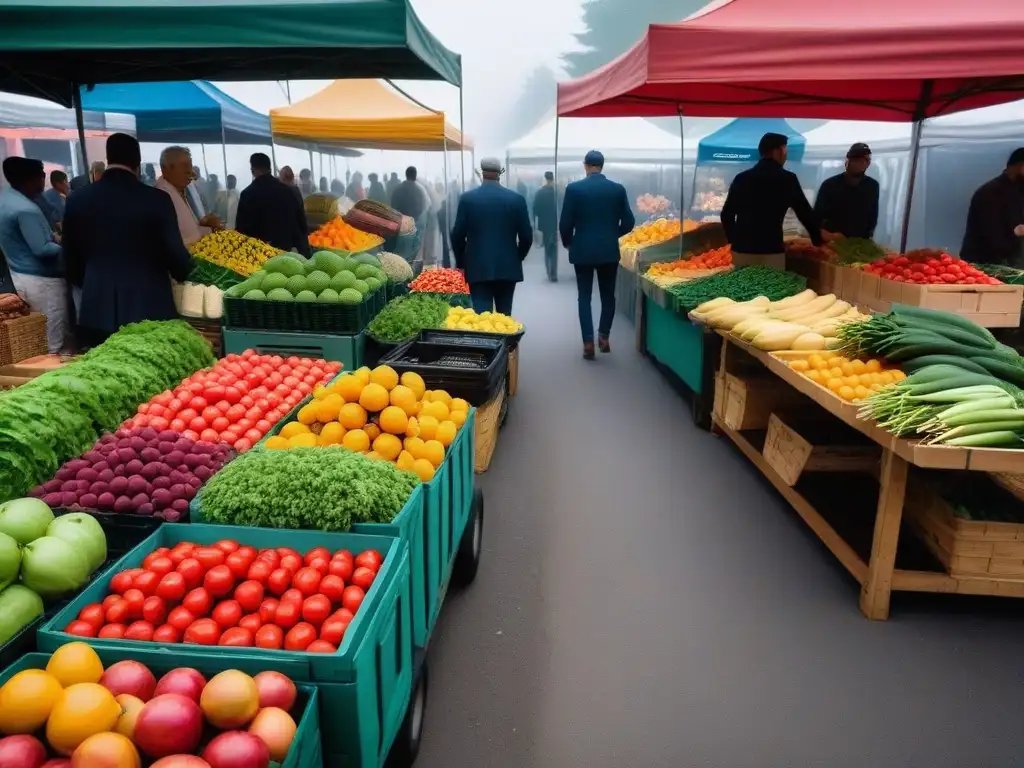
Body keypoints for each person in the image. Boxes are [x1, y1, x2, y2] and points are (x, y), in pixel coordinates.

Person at [62, 133, 193, 348]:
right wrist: (185, 273)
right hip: (149, 305)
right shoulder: (156, 199)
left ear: (108, 158)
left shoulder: (78, 199)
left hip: (97, 306)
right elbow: (176, 254)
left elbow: (70, 257)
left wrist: (92, 282)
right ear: (138, 162)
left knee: (101, 371)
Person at [559, 150, 635, 359]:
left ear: (585, 165)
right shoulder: (617, 190)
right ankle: (604, 335)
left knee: (584, 296)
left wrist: (569, 243)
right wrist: (613, 235)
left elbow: (565, 223)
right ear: (602, 165)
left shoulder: (574, 189)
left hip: (582, 249)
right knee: (608, 295)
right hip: (608, 251)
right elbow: (629, 222)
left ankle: (588, 342)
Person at [720, 132, 823, 270]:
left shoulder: (742, 178)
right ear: (779, 151)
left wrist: (735, 240)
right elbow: (804, 213)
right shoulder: (788, 179)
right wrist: (818, 240)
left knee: (743, 289)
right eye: (785, 150)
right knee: (772, 290)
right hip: (772, 249)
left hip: (743, 251)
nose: (786, 155)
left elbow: (726, 214)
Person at [0, 157, 67, 352]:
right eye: (42, 177)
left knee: (38, 337)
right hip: (43, 282)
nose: (43, 181)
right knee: (52, 339)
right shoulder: (26, 209)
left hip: (20, 274)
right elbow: (42, 249)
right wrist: (68, 246)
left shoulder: (5, 198)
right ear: (30, 179)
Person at [450, 157, 532, 315]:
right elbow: (526, 236)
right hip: (507, 267)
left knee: (482, 318)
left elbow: (457, 235)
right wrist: (517, 257)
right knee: (505, 316)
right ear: (499, 173)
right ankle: (508, 340)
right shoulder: (516, 200)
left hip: (478, 268)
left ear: (482, 172)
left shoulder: (468, 199)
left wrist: (462, 263)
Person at [236, 152, 311, 257]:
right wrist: (305, 252)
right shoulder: (287, 191)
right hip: (285, 251)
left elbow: (241, 229)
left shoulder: (248, 194)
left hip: (260, 253)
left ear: (252, 170)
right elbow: (301, 222)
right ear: (269, 168)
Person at [960, 148, 1024, 267]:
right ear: (1019, 166)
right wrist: (1015, 233)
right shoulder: (990, 193)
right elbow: (992, 236)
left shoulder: (1018, 190)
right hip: (984, 265)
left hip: (1009, 264)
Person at [154, 146, 223, 246]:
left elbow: (188, 230)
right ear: (166, 169)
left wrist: (204, 223)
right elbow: (187, 238)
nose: (190, 171)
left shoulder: (183, 189)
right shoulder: (162, 196)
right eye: (184, 165)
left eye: (190, 165)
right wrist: (210, 228)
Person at [814, 143, 879, 240]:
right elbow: (817, 217)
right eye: (855, 159)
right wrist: (827, 235)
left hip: (860, 244)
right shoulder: (829, 185)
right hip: (832, 242)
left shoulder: (872, 186)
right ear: (847, 161)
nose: (859, 163)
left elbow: (872, 216)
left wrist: (868, 236)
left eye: (864, 161)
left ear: (868, 163)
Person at [533, 171, 558, 282]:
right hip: (553, 225)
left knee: (547, 249)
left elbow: (535, 210)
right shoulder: (556, 193)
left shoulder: (539, 193)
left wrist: (536, 222)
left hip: (543, 225)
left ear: (545, 178)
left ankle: (549, 272)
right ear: (553, 179)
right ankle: (553, 273)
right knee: (553, 249)